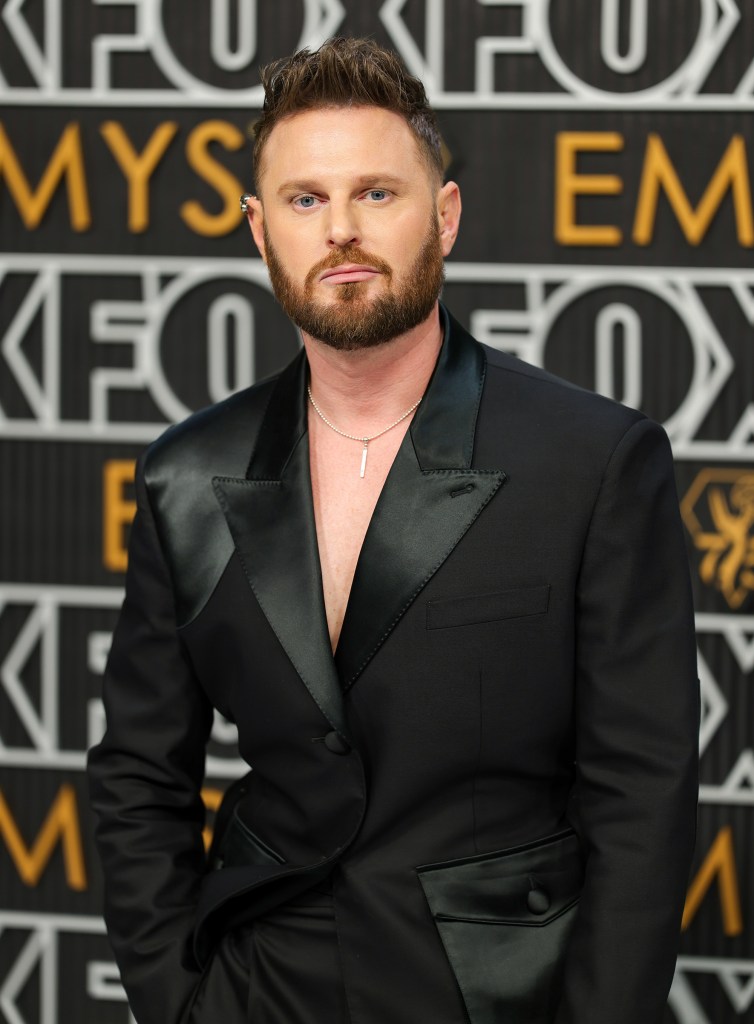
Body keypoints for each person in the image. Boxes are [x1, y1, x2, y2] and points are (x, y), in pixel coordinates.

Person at [88, 36, 699, 1024]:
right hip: (259, 986)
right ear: (258, 229)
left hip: (496, 994)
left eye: (377, 193)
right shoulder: (185, 472)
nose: (341, 230)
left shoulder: (593, 460)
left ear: (443, 214)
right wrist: (178, 999)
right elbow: (137, 771)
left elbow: (642, 792)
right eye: (304, 199)